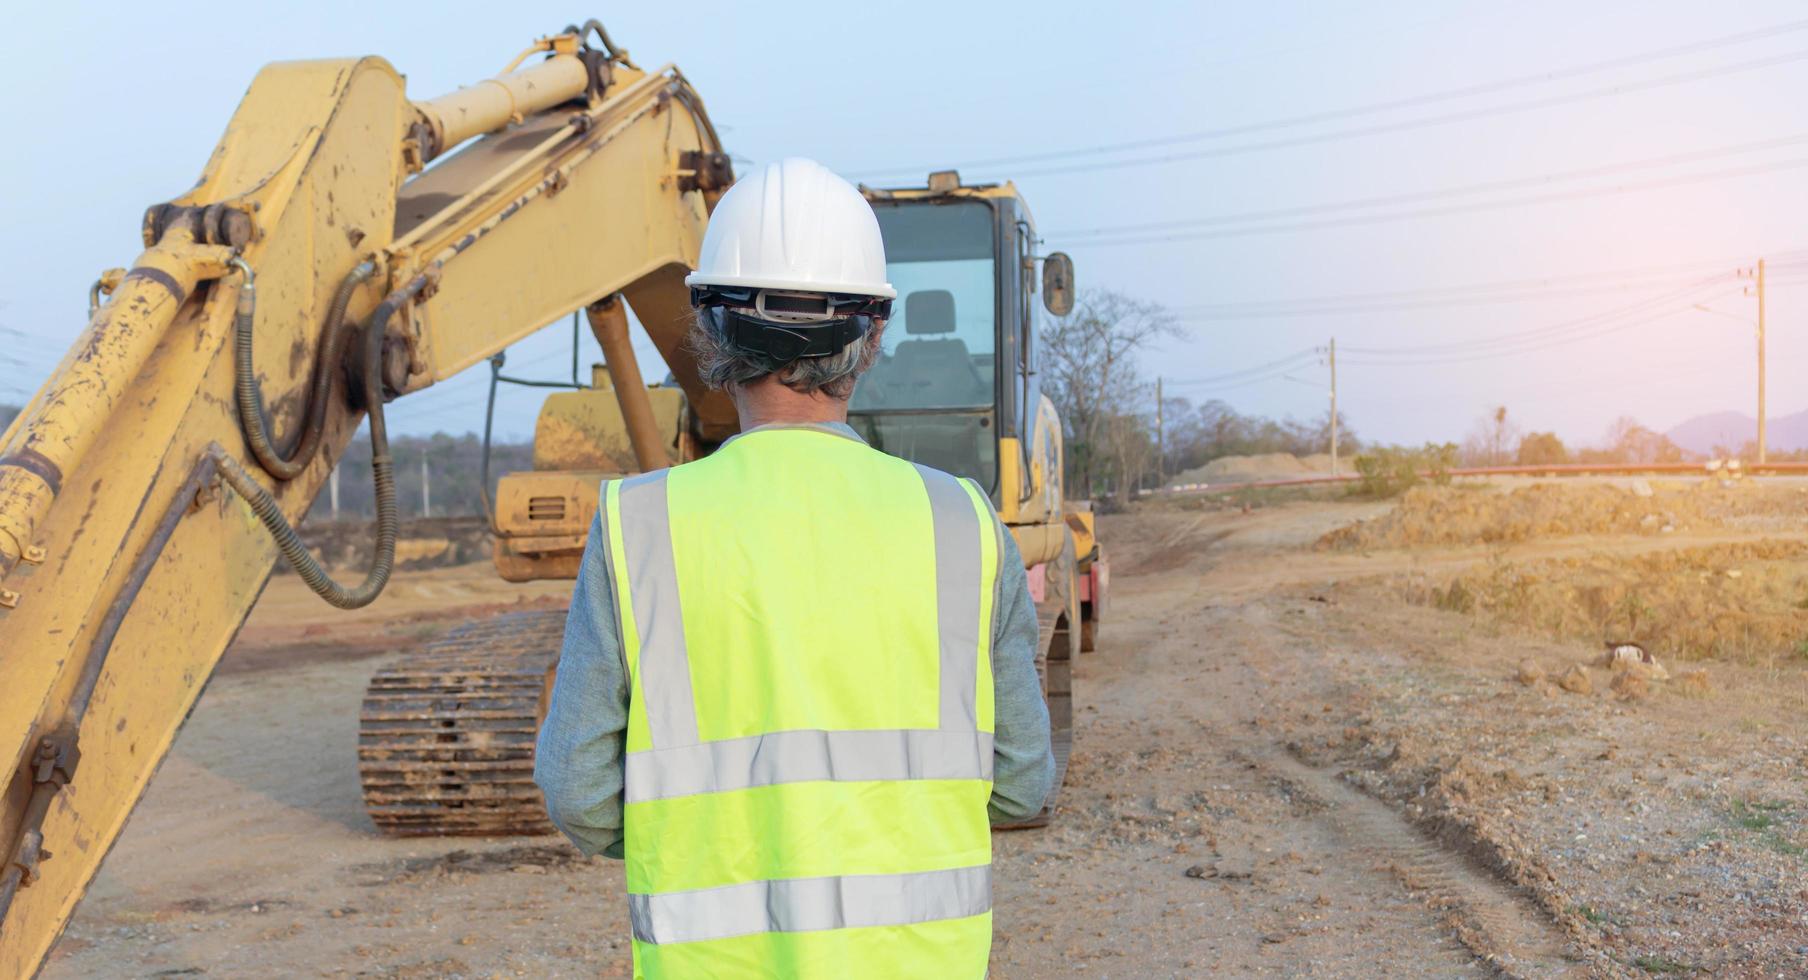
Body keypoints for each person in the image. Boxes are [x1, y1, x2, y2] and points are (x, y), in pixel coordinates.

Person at [533, 157, 1054, 978]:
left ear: (707, 331)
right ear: (874, 335)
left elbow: (578, 791)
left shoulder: (639, 526)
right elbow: (1023, 784)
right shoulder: (963, 524)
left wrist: (706, 838)